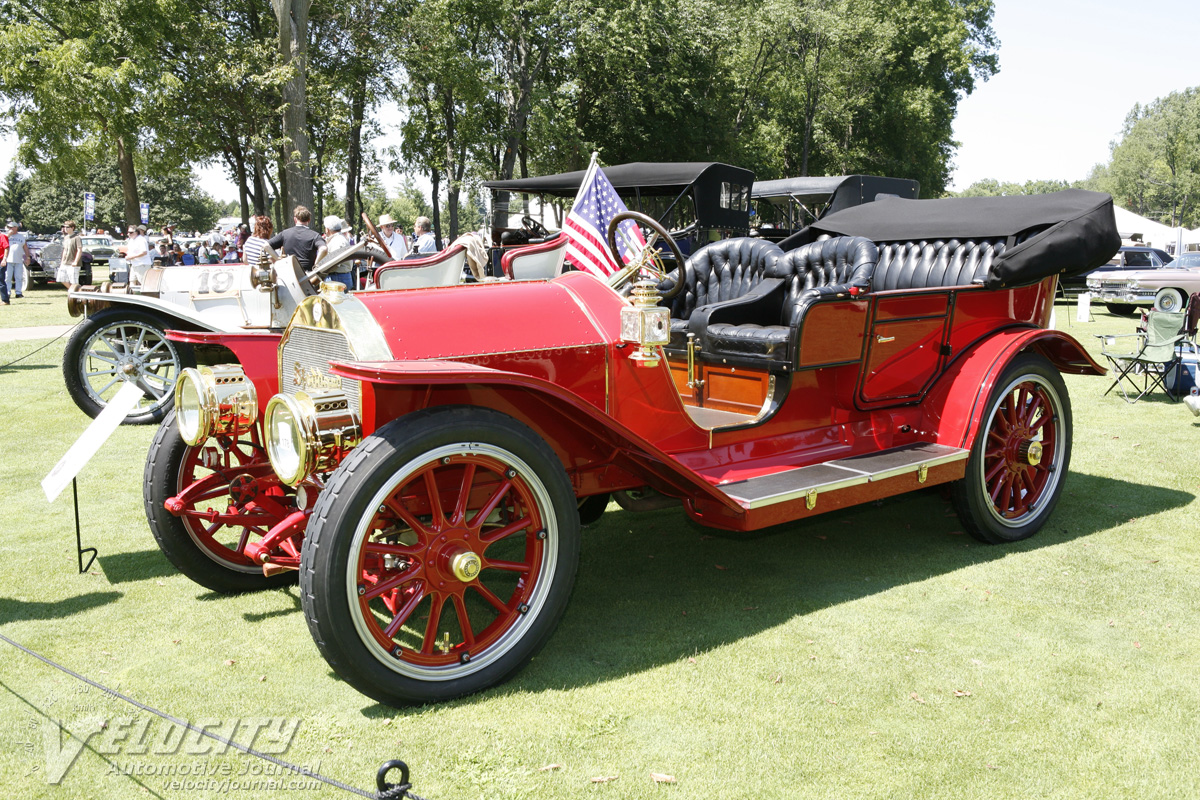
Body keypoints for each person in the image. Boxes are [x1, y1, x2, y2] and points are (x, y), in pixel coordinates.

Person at [268, 205, 324, 273]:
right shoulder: (315, 235)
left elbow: (266, 246)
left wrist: (278, 260)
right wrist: (316, 265)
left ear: (295, 219)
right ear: (309, 220)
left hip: (289, 272)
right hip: (308, 275)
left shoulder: (285, 233)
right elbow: (323, 249)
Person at [322, 214, 353, 290]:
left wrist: (322, 271)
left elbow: (334, 263)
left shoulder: (337, 241)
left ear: (327, 229)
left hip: (337, 278)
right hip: (340, 276)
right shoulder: (339, 239)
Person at [4, 221, 31, 298]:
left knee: (19, 277)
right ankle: (7, 292)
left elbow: (25, 248)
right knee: (7, 277)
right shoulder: (5, 236)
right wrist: (8, 235)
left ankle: (18, 292)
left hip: (19, 260)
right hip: (8, 260)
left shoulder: (21, 237)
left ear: (16, 228)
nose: (10, 228)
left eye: (11, 227)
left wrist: (28, 257)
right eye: (9, 227)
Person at [58, 220, 83, 285]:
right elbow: (65, 250)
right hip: (65, 262)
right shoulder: (66, 238)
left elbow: (79, 250)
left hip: (73, 263)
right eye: (64, 227)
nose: (65, 229)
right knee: (61, 278)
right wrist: (62, 261)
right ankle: (72, 291)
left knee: (74, 282)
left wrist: (75, 261)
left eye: (67, 227)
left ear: (72, 228)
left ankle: (75, 293)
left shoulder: (77, 238)